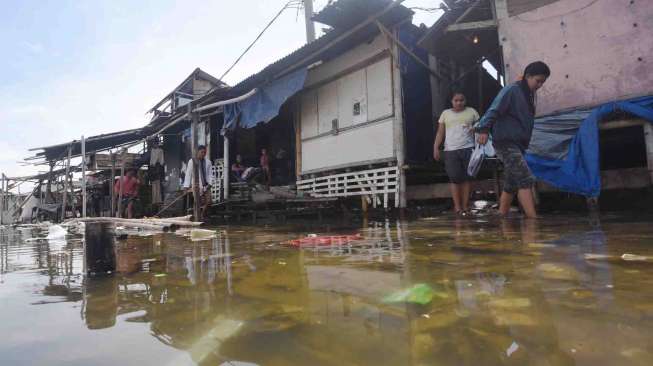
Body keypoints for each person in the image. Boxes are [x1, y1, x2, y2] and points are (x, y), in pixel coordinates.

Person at [476, 61, 551, 218]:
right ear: (528, 76)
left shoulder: (528, 94)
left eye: (543, 82)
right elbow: (494, 109)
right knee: (525, 178)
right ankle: (533, 221)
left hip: (518, 143)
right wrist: (483, 129)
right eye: (538, 81)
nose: (540, 85)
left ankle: (502, 216)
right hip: (505, 142)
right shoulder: (512, 90)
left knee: (511, 183)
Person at [433, 91, 480, 215]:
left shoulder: (472, 112)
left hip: (468, 149)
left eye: (462, 100)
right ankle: (457, 207)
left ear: (466, 100)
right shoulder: (445, 114)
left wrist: (475, 128)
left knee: (467, 179)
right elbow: (440, 133)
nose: (459, 102)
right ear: (451, 101)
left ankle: (465, 206)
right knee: (454, 179)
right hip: (450, 150)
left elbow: (481, 128)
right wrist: (436, 147)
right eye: (456, 100)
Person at [183, 145, 214, 220]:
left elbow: (210, 174)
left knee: (209, 201)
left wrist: (210, 184)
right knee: (197, 202)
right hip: (196, 185)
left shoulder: (208, 162)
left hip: (206, 185)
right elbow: (188, 174)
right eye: (202, 152)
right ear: (197, 152)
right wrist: (186, 187)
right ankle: (197, 217)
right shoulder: (192, 161)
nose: (203, 154)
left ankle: (202, 214)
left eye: (204, 152)